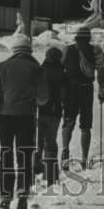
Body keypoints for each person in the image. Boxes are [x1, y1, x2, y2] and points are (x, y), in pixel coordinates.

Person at [0, 34, 48, 209]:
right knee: (24, 155)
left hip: (4, 117)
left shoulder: (2, 67)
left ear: (14, 51)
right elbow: (44, 98)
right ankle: (22, 192)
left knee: (6, 153)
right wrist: (35, 99)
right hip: (26, 118)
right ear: (29, 50)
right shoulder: (36, 69)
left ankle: (5, 195)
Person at [61, 27, 104, 170]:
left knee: (68, 121)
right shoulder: (96, 50)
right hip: (86, 89)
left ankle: (65, 150)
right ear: (88, 38)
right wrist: (101, 90)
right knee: (86, 126)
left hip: (70, 90)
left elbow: (60, 69)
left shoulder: (67, 50)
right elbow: (101, 70)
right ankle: (84, 158)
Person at [35, 45, 67, 187]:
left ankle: (34, 171)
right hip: (55, 112)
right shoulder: (63, 74)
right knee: (50, 142)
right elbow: (65, 95)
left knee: (38, 141)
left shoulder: (40, 72)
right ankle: (50, 176)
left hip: (39, 110)